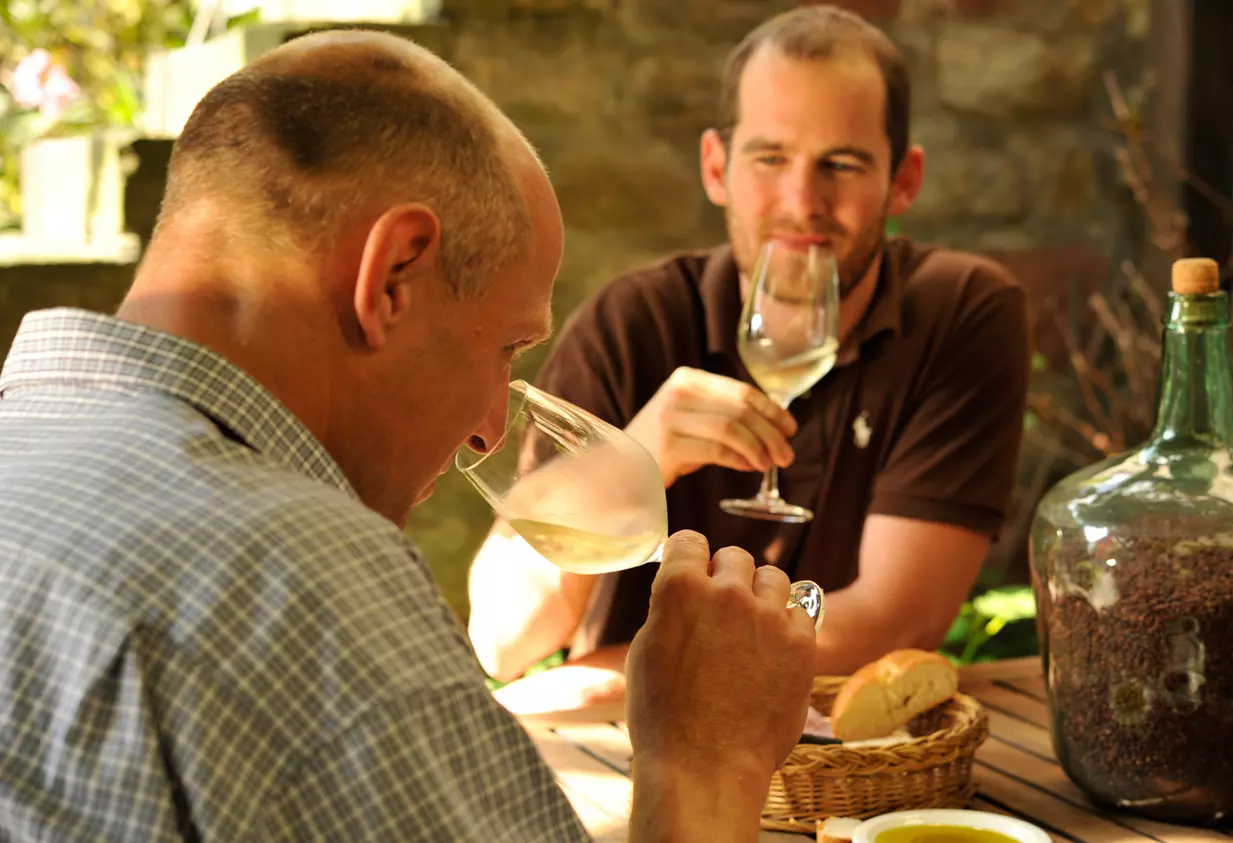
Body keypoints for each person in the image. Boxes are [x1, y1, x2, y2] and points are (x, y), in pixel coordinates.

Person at [0, 30, 818, 842]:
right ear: (394, 274)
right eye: (504, 348)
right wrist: (708, 761)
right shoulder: (305, 576)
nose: (488, 431)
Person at [467, 5, 1031, 715]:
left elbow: (894, 621)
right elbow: (501, 633)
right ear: (715, 167)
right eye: (770, 158)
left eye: (842, 164)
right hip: (630, 754)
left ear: (903, 180)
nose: (802, 202)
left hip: (840, 760)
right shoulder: (629, 322)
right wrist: (634, 459)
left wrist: (609, 677)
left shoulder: (961, 312)